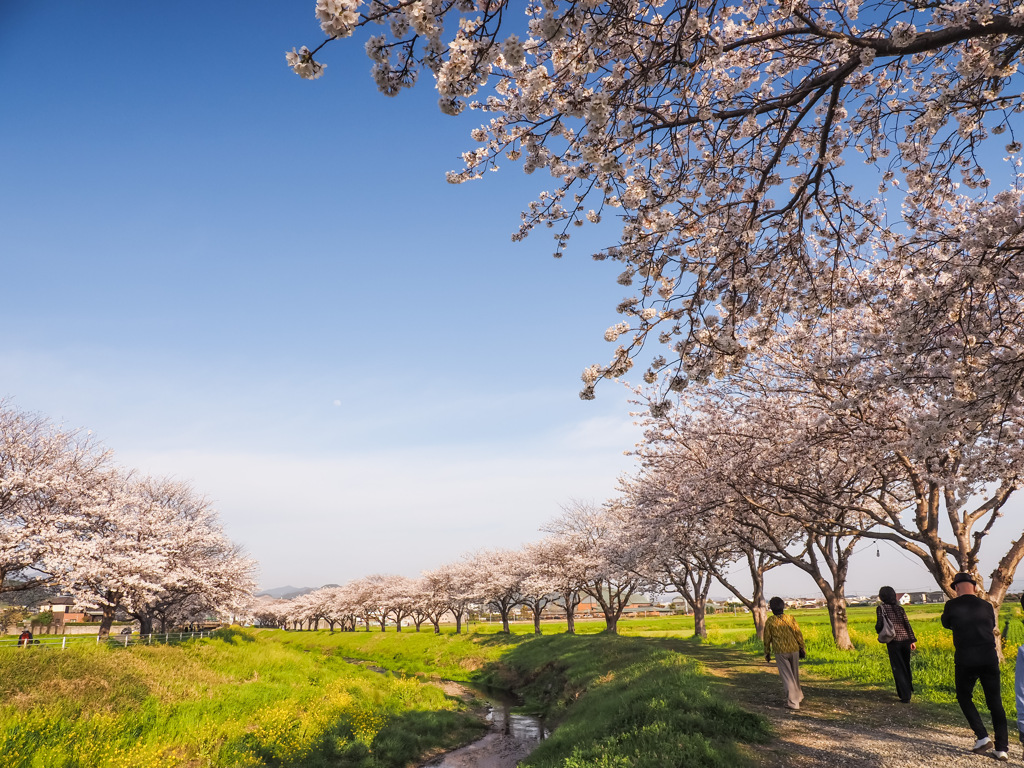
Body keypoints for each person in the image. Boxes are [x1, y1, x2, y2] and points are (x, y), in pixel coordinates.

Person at [941, 572, 1008, 761]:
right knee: (995, 702)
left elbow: (946, 623)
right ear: (975, 586)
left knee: (963, 696)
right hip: (989, 657)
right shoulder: (986, 605)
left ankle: (982, 737)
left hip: (966, 659)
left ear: (955, 588)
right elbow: (992, 624)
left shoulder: (951, 605)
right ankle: (1002, 749)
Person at [763, 596, 806, 710]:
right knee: (795, 675)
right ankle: (799, 696)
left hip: (780, 651)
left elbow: (767, 638)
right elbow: (798, 634)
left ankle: (793, 703)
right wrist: (802, 647)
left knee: (787, 677)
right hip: (794, 649)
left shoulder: (770, 621)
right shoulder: (790, 618)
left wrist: (767, 652)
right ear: (783, 607)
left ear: (771, 609)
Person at [876, 586, 917, 702]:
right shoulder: (900, 609)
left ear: (882, 597)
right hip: (906, 640)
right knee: (906, 666)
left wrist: (879, 631)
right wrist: (912, 640)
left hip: (893, 641)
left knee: (898, 668)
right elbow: (907, 624)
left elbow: (879, 625)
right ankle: (908, 691)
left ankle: (904, 696)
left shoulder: (881, 608)